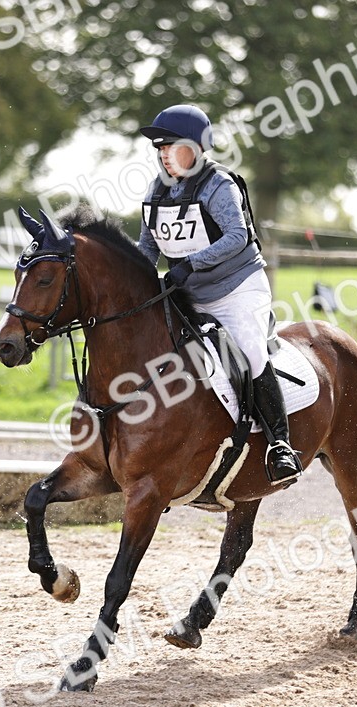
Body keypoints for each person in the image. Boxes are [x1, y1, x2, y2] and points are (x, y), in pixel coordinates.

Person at [137, 103, 302, 486]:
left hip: (237, 289)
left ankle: (280, 445)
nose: (164, 154)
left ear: (196, 149)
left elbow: (237, 236)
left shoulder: (218, 185)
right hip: (186, 293)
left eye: (172, 146)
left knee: (249, 350)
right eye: (160, 148)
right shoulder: (156, 191)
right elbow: (147, 248)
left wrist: (190, 264)